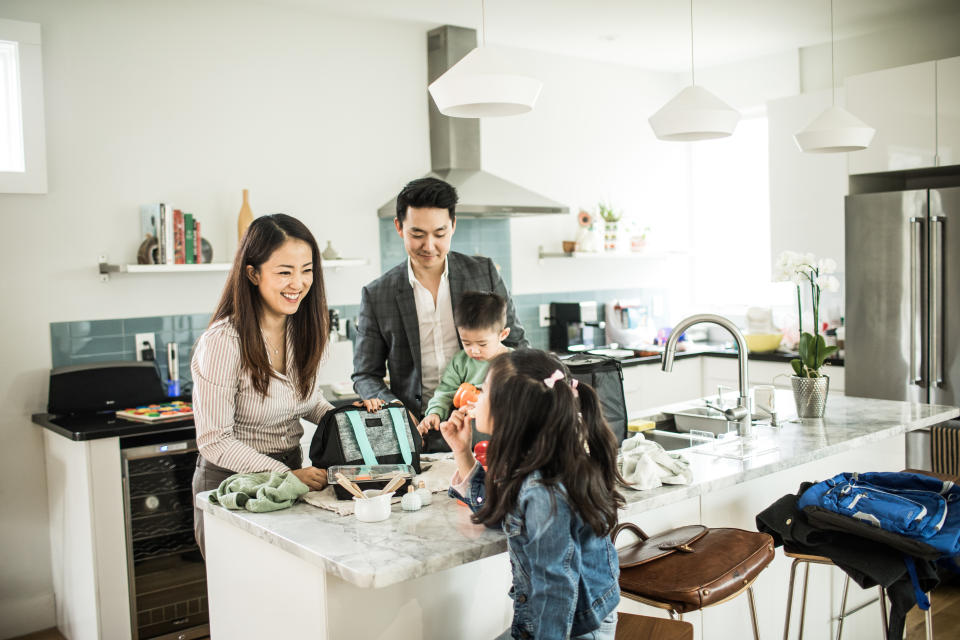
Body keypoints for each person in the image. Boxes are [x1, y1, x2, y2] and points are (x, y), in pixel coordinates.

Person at [440, 350, 625, 640]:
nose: (476, 397)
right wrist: (462, 452)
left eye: (485, 390)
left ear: (509, 409)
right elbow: (501, 514)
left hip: (573, 628)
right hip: (565, 620)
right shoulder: (535, 458)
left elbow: (556, 588)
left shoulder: (543, 491)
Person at [191, 214, 332, 555]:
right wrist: (287, 475)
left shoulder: (301, 330)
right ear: (253, 273)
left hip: (291, 475)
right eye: (285, 271)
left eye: (307, 270)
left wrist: (354, 421)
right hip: (232, 483)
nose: (298, 283)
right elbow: (214, 440)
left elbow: (308, 402)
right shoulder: (224, 341)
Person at [352, 177, 528, 421]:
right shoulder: (377, 294)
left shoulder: (483, 273)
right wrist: (397, 412)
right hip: (418, 428)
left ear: (453, 225)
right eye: (417, 234)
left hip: (483, 422)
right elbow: (365, 375)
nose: (429, 245)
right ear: (399, 227)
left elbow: (518, 345)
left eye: (439, 233)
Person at [418, 290, 511, 435]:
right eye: (466, 343)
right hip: (466, 433)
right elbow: (445, 392)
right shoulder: (460, 361)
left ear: (503, 335)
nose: (474, 351)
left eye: (482, 344)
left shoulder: (514, 363)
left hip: (501, 433)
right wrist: (434, 413)